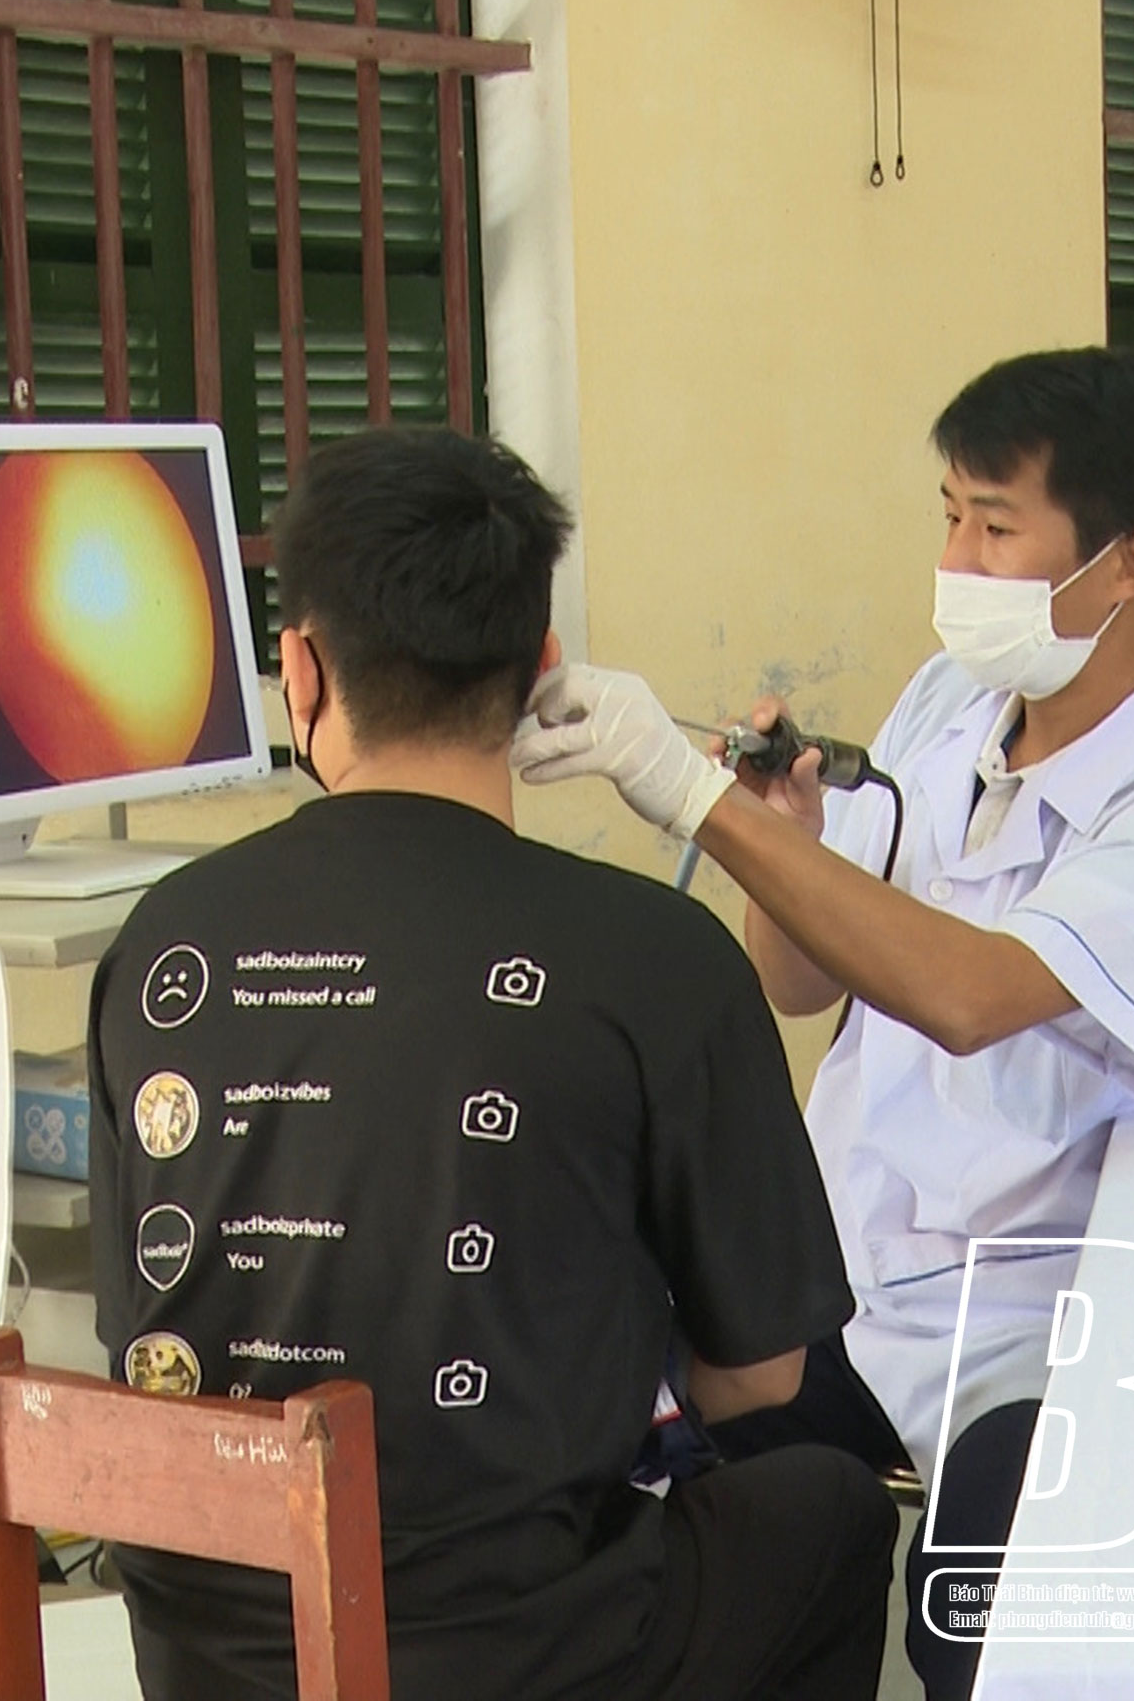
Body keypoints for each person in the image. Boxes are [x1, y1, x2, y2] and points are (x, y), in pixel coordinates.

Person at [511, 347, 1134, 1699]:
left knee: (974, 1626)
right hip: (847, 1276)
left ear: (1129, 561)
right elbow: (805, 981)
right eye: (949, 516)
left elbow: (968, 993)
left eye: (996, 527)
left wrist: (694, 799)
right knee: (637, 1518)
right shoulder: (947, 705)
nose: (957, 560)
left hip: (1038, 1326)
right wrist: (790, 837)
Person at [89, 427, 895, 1701]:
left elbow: (140, 1330)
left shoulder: (160, 940)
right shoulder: (657, 952)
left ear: (301, 668)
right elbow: (761, 1374)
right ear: (543, 673)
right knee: (830, 1507)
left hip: (207, 1656)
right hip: (520, 1655)